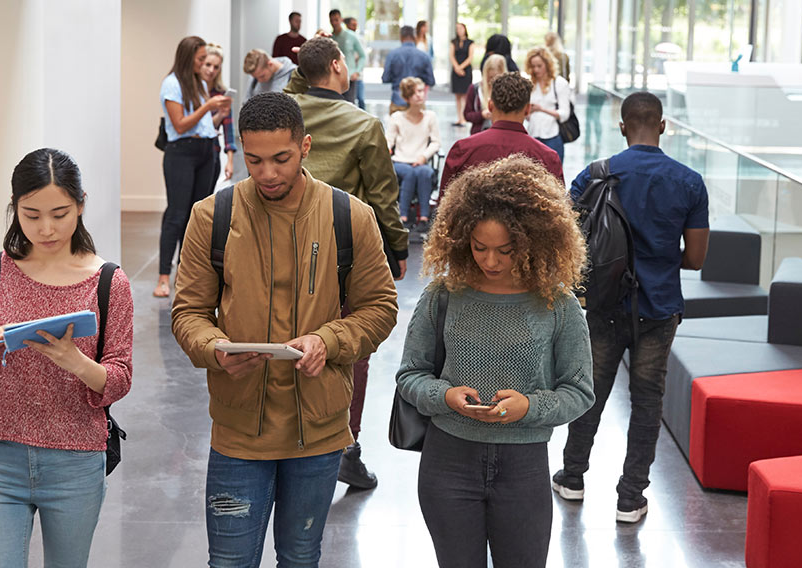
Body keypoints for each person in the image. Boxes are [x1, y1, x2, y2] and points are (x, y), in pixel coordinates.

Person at [171, 92, 398, 566]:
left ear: (306, 146)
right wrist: (215, 349)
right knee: (230, 560)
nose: (268, 173)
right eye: (254, 160)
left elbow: (379, 308)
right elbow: (188, 312)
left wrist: (328, 340)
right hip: (238, 430)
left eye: (281, 158)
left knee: (300, 556)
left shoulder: (349, 216)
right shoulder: (211, 216)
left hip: (317, 432)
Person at [397, 154, 595, 568]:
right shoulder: (443, 295)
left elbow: (579, 391)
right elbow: (410, 375)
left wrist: (530, 406)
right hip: (447, 461)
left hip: (524, 467)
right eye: (479, 247)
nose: (489, 261)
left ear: (532, 241)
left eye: (505, 250)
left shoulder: (557, 304)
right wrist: (445, 395)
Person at [0, 148, 134, 568]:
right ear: (15, 209)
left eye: (60, 213)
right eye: (31, 215)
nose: (46, 228)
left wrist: (75, 361)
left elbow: (119, 379)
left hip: (76, 461)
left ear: (81, 204)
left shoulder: (109, 283)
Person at [552, 91, 710, 524]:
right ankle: (630, 497)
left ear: (622, 127)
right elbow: (695, 258)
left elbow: (567, 240)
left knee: (591, 390)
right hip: (659, 308)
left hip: (604, 305)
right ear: (663, 126)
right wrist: (657, 258)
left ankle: (572, 476)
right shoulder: (690, 182)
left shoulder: (596, 174)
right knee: (647, 401)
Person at [287, 37, 410, 489]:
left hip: (281, 244)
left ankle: (291, 439)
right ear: (338, 66)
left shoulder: (284, 111)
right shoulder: (362, 123)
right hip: (342, 253)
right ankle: (345, 446)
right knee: (349, 348)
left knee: (283, 337)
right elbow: (381, 196)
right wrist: (397, 249)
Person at [155, 36, 231, 298]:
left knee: (197, 216)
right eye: (200, 59)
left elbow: (203, 124)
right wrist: (209, 105)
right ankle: (163, 277)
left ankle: (185, 272)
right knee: (176, 215)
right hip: (182, 153)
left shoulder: (197, 83)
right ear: (189, 58)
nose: (204, 64)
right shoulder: (172, 84)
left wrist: (219, 113)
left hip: (206, 150)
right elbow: (180, 125)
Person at [441, 72, 564, 204]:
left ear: (490, 106)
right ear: (527, 110)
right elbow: (560, 210)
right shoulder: (547, 158)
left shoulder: (463, 150)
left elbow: (443, 205)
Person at [387, 77, 440, 229]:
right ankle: (403, 216)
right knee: (410, 173)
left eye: (421, 91)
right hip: (400, 161)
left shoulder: (430, 117)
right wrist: (386, 149)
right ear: (407, 96)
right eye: (416, 92)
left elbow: (436, 142)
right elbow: (388, 141)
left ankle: (424, 218)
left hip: (420, 160)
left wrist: (424, 157)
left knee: (424, 172)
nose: (420, 95)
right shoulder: (397, 118)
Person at [524, 46, 572, 164]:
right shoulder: (529, 84)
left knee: (554, 178)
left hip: (552, 137)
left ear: (547, 64)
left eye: (539, 66)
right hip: (532, 136)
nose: (536, 70)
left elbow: (565, 114)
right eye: (533, 66)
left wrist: (541, 109)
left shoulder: (559, 83)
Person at [203, 44, 237, 186]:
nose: (211, 70)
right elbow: (195, 125)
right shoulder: (191, 93)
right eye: (208, 65)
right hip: (191, 152)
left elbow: (228, 130)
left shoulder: (221, 94)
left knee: (204, 201)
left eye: (216, 67)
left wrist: (230, 162)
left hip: (212, 153)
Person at [383, 25, 435, 114]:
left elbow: (385, 78)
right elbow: (431, 81)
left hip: (397, 101)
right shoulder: (424, 56)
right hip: (417, 104)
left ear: (401, 37)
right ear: (415, 37)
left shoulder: (392, 55)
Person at [329, 9, 366, 104]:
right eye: (332, 20)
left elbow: (362, 55)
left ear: (341, 20)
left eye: (336, 20)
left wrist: (357, 72)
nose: (334, 23)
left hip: (350, 78)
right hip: (335, 79)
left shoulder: (351, 36)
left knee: (349, 106)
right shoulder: (330, 38)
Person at [464, 54, 507, 135]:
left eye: (496, 78)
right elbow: (467, 114)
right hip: (479, 133)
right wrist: (481, 115)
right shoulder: (475, 89)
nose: (492, 81)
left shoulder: (507, 91)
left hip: (501, 134)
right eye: (490, 77)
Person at [450, 23, 475, 127]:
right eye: (457, 29)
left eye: (460, 28)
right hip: (456, 71)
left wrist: (461, 68)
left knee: (465, 95)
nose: (459, 30)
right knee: (457, 95)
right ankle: (459, 118)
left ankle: (464, 117)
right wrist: (456, 67)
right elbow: (451, 56)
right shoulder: (453, 42)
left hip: (466, 71)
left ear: (465, 29)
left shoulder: (470, 43)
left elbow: (470, 57)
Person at [344, 16, 367, 109]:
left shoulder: (360, 39)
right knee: (349, 101)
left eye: (356, 25)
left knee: (360, 99)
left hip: (357, 75)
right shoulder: (344, 39)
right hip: (348, 75)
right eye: (353, 25)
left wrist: (357, 71)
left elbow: (363, 56)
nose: (355, 27)